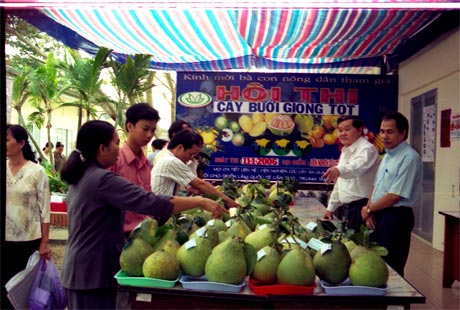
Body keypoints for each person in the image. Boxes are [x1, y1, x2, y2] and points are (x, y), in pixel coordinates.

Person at [59, 120, 227, 309]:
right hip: (91, 272)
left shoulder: (86, 175)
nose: (118, 148)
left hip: (88, 269)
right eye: (115, 142)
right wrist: (200, 201)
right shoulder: (102, 179)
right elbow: (150, 202)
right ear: (102, 148)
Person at [361, 111, 422, 276]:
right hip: (378, 212)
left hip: (396, 217)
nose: (384, 136)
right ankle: (377, 301)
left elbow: (396, 195)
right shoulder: (388, 155)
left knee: (392, 264)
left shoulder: (409, 158)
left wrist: (369, 210)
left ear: (402, 133)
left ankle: (395, 302)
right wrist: (368, 209)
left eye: (390, 132)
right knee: (375, 263)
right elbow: (376, 185)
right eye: (382, 131)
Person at [3, 124, 51, 309]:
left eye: (7, 140)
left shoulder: (37, 172)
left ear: (21, 143)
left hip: (28, 240)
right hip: (4, 240)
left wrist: (45, 241)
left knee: (24, 290)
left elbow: (44, 210)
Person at [151, 129, 239, 209]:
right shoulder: (170, 161)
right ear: (180, 147)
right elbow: (200, 184)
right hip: (161, 213)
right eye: (191, 154)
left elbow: (193, 186)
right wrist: (229, 202)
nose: (191, 158)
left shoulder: (170, 158)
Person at [322, 116, 380, 232]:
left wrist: (339, 170)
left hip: (363, 207)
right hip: (348, 209)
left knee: (358, 247)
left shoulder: (367, 149)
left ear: (359, 130)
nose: (342, 134)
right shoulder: (345, 150)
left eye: (347, 129)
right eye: (340, 130)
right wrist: (331, 208)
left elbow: (357, 167)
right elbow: (340, 183)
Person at [109, 103, 160, 237]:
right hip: (119, 236)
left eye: (153, 130)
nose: (149, 135)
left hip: (144, 234)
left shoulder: (146, 164)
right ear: (130, 126)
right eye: (145, 129)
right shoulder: (115, 161)